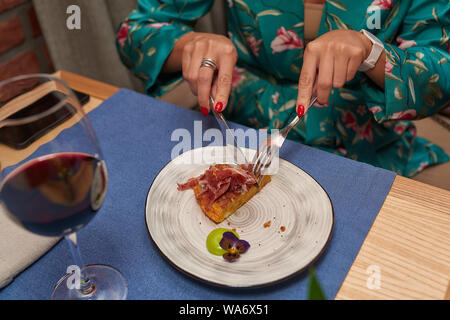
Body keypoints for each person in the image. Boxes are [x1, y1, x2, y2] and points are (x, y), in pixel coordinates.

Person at [116, 0, 450, 178]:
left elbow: (441, 72)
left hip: (368, 145)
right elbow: (137, 32)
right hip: (237, 134)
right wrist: (188, 44)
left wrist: (372, 53)